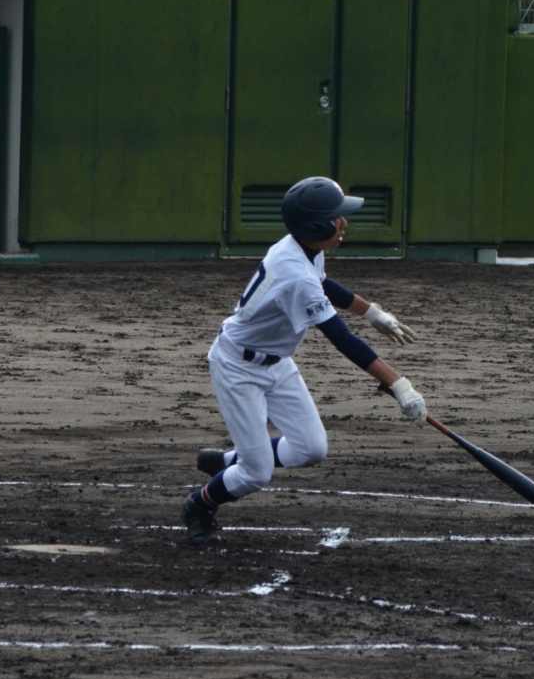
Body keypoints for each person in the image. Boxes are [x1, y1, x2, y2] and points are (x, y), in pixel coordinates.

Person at [182, 176, 426, 547]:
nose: (343, 223)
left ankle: (228, 459)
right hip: (238, 368)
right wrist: (398, 383)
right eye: (336, 217)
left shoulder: (303, 248)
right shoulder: (295, 274)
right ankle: (199, 505)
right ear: (315, 227)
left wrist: (372, 313)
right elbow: (341, 338)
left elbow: (323, 284)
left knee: (311, 448)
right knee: (256, 474)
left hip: (277, 362)